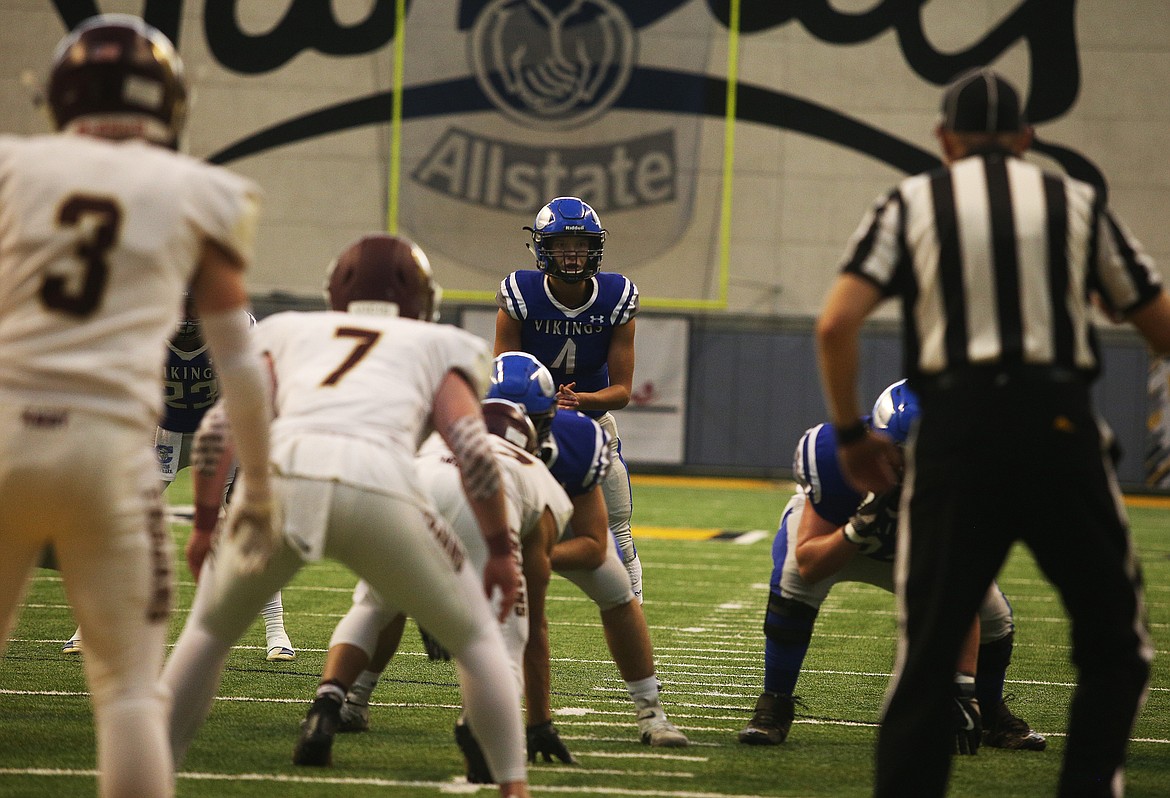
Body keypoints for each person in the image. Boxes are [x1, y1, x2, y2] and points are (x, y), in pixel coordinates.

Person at [815, 67, 1170, 797]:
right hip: (1058, 427)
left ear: (945, 140)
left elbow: (835, 322)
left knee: (927, 658)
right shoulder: (1074, 200)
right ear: (1027, 138)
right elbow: (1157, 322)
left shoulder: (912, 200)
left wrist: (852, 432)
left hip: (956, 434)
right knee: (1116, 645)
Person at [0, 14, 273, 798]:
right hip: (107, 449)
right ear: (170, 102)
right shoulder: (200, 191)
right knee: (126, 693)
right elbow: (241, 367)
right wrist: (261, 486)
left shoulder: (14, 167)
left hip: (7, 430)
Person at [161, 233, 531, 798]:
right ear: (420, 297)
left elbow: (220, 426)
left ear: (336, 288)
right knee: (480, 641)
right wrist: (501, 550)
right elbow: (473, 448)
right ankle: (513, 787)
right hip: (380, 484)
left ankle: (148, 773)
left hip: (286, 479)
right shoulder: (439, 342)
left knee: (207, 633)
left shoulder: (290, 331)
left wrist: (209, 523)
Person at [738, 380, 1044, 753]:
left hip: (917, 549)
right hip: (842, 537)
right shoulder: (833, 454)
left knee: (994, 616)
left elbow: (958, 586)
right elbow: (810, 565)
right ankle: (775, 703)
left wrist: (963, 689)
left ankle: (990, 711)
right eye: (906, 454)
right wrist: (857, 529)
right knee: (792, 586)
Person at [293, 398, 591, 780]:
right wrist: (539, 723)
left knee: (372, 606)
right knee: (507, 636)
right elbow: (533, 614)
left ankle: (327, 704)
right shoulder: (538, 475)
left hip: (406, 488)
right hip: (491, 499)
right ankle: (477, 728)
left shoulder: (436, 441)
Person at [62, 297, 296, 661]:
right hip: (163, 434)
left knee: (249, 525)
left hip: (220, 431)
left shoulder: (235, 327)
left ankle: (275, 630)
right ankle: (90, 626)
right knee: (127, 524)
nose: (186, 328)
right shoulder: (144, 324)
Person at [487, 352, 688, 748]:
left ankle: (650, 710)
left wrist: (535, 559)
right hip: (492, 532)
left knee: (618, 594)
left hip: (554, 528)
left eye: (533, 424)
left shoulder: (575, 437)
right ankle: (349, 695)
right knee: (389, 590)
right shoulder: (460, 438)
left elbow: (594, 545)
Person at [494, 197, 644, 601]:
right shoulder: (520, 292)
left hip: (591, 425)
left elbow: (623, 392)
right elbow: (503, 373)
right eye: (562, 245)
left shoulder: (616, 296)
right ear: (543, 247)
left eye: (581, 245)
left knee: (618, 531)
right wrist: (541, 401)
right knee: (497, 525)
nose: (573, 255)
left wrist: (582, 402)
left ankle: (632, 613)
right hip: (528, 426)